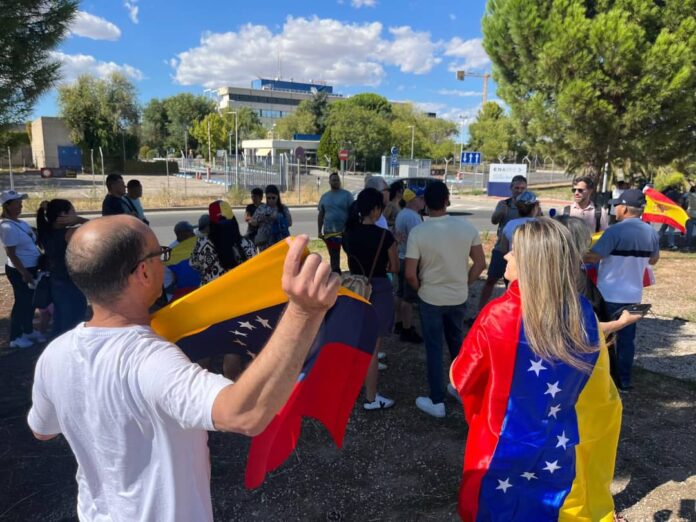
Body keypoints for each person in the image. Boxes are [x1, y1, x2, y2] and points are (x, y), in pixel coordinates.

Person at [27, 216, 339, 521]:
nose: (164, 262)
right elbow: (244, 414)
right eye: (159, 254)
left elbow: (42, 429)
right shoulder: (149, 360)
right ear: (144, 273)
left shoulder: (54, 355)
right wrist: (303, 312)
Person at [450, 218, 621, 521]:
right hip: (557, 450)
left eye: (513, 252)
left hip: (501, 448)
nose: (505, 256)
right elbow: (599, 391)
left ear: (530, 262)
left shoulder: (497, 316)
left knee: (499, 510)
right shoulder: (583, 313)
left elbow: (461, 378)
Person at [405, 181, 486, 418]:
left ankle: (436, 400)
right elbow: (480, 263)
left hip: (430, 297)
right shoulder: (467, 228)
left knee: (434, 348)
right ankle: (461, 388)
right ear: (447, 200)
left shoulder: (418, 232)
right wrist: (465, 282)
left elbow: (410, 273)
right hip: (458, 295)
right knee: (457, 345)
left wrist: (420, 289)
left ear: (425, 204)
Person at [585, 189, 659, 391]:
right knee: (627, 340)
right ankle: (624, 380)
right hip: (634, 294)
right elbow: (653, 259)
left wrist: (576, 253)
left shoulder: (615, 231)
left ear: (624, 208)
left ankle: (605, 379)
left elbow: (593, 257)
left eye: (616, 204)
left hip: (608, 293)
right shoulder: (651, 232)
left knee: (605, 337)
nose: (614, 208)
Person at [343, 187, 398, 410]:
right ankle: (371, 397)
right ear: (375, 210)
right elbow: (395, 267)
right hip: (379, 289)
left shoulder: (348, 234)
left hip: (356, 289)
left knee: (357, 343)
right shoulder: (385, 236)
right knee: (372, 348)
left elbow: (351, 263)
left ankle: (351, 388)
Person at [36, 199, 89, 338]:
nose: (75, 213)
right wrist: (80, 219)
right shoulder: (70, 233)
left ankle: (55, 353)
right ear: (63, 215)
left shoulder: (46, 231)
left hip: (56, 282)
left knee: (60, 322)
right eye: (72, 211)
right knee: (73, 325)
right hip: (71, 284)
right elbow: (102, 228)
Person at [0, 190, 45, 348]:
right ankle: (15, 337)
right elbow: (11, 254)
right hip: (20, 270)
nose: (20, 205)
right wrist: (24, 273)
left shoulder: (20, 223)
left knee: (31, 302)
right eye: (16, 203)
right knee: (22, 303)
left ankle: (27, 330)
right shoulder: (7, 227)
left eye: (20, 202)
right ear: (7, 206)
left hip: (31, 267)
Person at [478, 175, 527, 310]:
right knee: (490, 280)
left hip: (521, 252)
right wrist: (501, 212)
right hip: (501, 249)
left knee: (514, 284)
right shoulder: (504, 204)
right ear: (511, 188)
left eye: (522, 188)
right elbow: (494, 220)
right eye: (516, 187)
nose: (519, 190)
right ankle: (479, 312)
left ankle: (512, 313)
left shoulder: (531, 205)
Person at [393, 187, 424, 343]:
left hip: (400, 256)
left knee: (399, 293)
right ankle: (407, 329)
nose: (424, 202)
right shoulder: (413, 218)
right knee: (408, 297)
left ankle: (398, 323)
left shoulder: (402, 213)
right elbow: (419, 239)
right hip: (409, 258)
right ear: (414, 200)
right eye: (421, 198)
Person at [318, 172, 354, 273]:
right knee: (334, 256)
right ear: (329, 182)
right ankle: (336, 275)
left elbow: (353, 212)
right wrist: (319, 231)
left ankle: (354, 273)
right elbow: (321, 215)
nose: (336, 182)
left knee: (351, 254)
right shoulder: (325, 197)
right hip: (330, 233)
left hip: (345, 232)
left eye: (337, 180)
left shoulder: (347, 195)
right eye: (333, 180)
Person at [164, 221, 200, 300]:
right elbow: (167, 282)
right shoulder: (172, 251)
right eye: (191, 232)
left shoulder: (191, 244)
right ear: (183, 234)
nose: (193, 234)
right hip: (182, 294)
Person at [250, 185, 292, 251]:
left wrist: (278, 218)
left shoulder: (283, 208)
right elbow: (253, 222)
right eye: (268, 198)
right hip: (265, 243)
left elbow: (289, 223)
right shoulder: (262, 208)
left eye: (273, 198)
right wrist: (262, 217)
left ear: (277, 197)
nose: (271, 200)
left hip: (280, 241)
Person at [658, 184, 683, 251]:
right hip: (672, 213)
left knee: (662, 229)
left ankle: (656, 242)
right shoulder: (676, 194)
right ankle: (671, 244)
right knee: (671, 229)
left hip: (666, 212)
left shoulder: (667, 194)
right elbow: (679, 204)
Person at [685, 185, 696, 252]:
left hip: (690, 215)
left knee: (689, 232)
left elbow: (684, 197)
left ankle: (687, 246)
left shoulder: (689, 195)